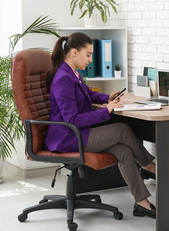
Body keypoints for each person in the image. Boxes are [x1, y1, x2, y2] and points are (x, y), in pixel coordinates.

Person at [45, 32, 157, 219]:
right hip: (68, 137)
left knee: (123, 151)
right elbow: (72, 120)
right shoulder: (63, 78)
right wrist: (107, 111)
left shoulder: (72, 73)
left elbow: (87, 93)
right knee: (122, 130)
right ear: (74, 52)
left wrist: (107, 98)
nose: (90, 59)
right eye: (88, 54)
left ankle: (141, 203)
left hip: (77, 133)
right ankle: (148, 165)